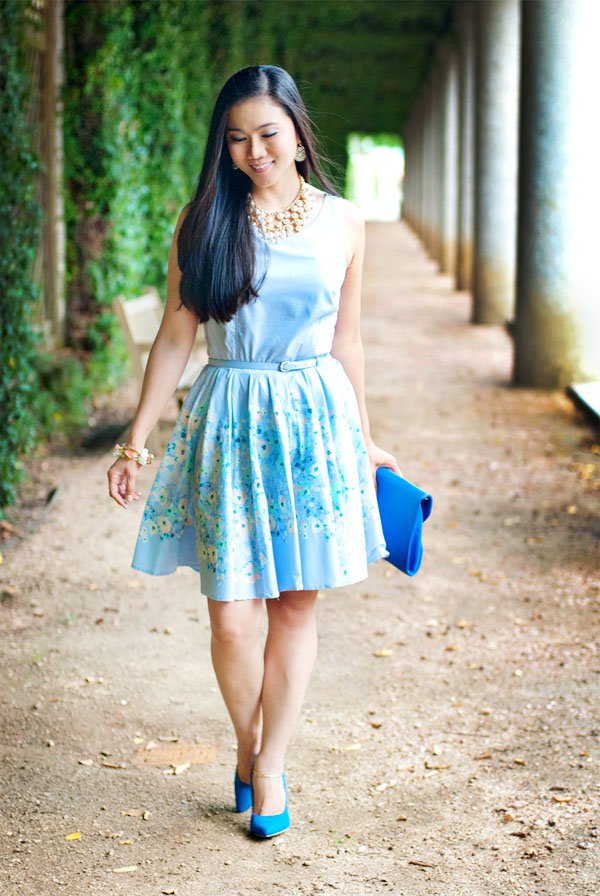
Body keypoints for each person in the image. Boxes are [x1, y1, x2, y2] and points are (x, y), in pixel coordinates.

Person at [107, 64, 400, 839]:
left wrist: (364, 437)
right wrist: (135, 443)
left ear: (299, 134)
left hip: (314, 420)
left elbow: (347, 341)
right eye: (236, 139)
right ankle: (248, 743)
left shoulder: (344, 223)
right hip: (231, 419)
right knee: (232, 619)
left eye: (268, 133)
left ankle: (270, 766)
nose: (254, 151)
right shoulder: (204, 220)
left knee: (295, 605)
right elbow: (177, 335)